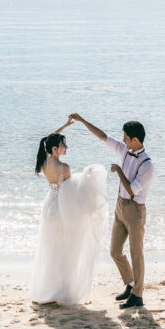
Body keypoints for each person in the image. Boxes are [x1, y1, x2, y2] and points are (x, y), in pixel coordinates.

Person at [69, 113, 154, 309]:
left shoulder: (147, 165)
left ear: (135, 139)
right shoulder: (124, 150)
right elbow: (102, 136)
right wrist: (82, 120)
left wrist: (119, 171)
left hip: (135, 210)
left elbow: (133, 189)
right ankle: (131, 284)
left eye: (125, 137)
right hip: (120, 206)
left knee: (136, 253)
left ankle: (137, 295)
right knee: (115, 251)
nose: (123, 140)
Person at [28, 119, 108, 304]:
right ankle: (63, 289)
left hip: (49, 208)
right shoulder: (64, 168)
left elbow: (47, 140)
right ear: (55, 149)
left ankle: (48, 288)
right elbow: (72, 193)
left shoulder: (44, 162)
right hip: (61, 211)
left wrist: (63, 127)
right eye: (64, 144)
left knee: (50, 250)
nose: (67, 147)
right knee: (65, 251)